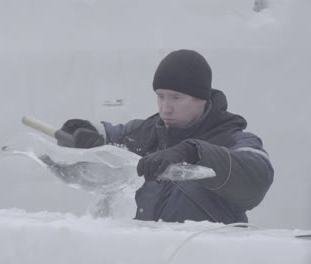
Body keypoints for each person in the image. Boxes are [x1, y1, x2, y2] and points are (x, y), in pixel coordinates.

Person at [58, 49, 274, 224]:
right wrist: (85, 131)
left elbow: (257, 179)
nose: (165, 108)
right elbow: (110, 136)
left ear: (202, 99)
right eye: (160, 97)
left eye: (176, 98)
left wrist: (194, 152)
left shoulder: (233, 140)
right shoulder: (144, 133)